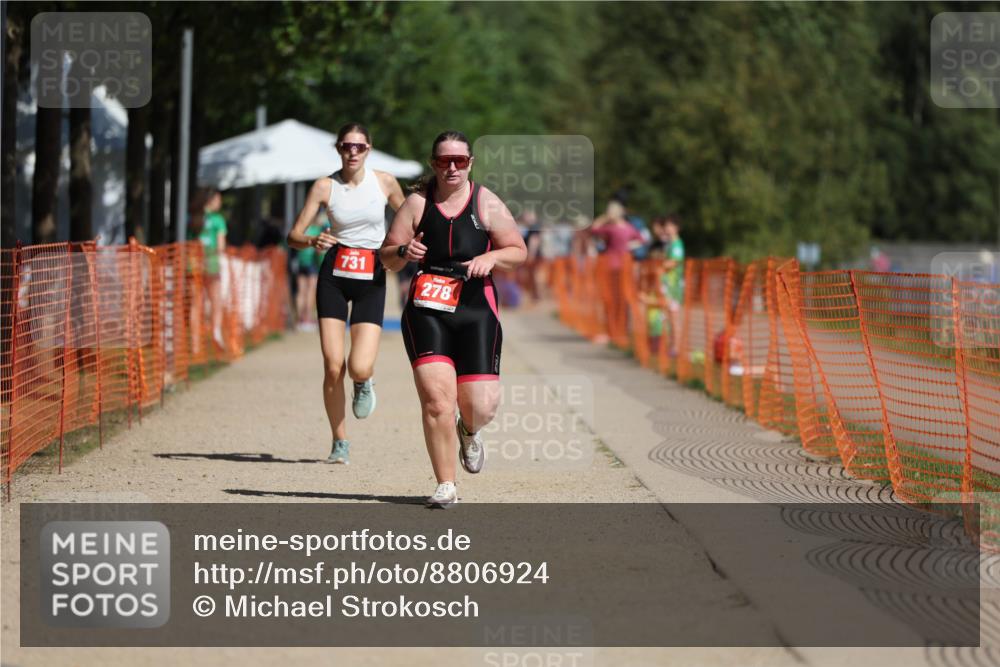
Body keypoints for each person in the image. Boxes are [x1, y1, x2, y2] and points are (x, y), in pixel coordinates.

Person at [380, 131, 527, 508]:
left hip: (476, 306)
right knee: (436, 402)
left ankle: (469, 430)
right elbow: (387, 257)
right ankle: (446, 484)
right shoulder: (416, 203)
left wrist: (491, 258)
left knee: (480, 405)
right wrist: (402, 249)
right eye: (445, 160)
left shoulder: (486, 201)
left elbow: (518, 250)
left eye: (460, 160)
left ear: (470, 163)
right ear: (434, 164)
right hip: (428, 307)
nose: (452, 167)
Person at [286, 122, 405, 465]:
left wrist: (402, 247)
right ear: (338, 149)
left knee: (359, 365)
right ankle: (340, 442)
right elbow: (293, 235)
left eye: (359, 146)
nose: (352, 152)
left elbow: (412, 217)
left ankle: (364, 382)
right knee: (333, 364)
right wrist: (312, 240)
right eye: (346, 146)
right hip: (334, 273)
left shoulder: (384, 182)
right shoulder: (325, 186)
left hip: (371, 273)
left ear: (369, 148)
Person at [589, 201, 644, 344]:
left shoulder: (610, 228)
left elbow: (593, 229)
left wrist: (603, 218)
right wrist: (629, 246)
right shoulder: (628, 228)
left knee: (611, 299)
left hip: (611, 267)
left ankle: (613, 330)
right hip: (625, 267)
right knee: (622, 298)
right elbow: (642, 239)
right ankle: (622, 330)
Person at [188, 188, 228, 353]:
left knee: (195, 305)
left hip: (193, 264)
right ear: (210, 200)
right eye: (218, 199)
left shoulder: (192, 218)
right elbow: (221, 246)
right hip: (211, 265)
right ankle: (216, 332)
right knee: (215, 302)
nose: (220, 202)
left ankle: (195, 344)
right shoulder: (218, 220)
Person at [294, 215, 325, 331]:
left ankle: (300, 319)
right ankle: (307, 318)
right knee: (310, 291)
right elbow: (319, 250)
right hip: (312, 263)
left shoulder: (301, 230)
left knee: (301, 291)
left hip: (301, 263)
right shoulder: (316, 230)